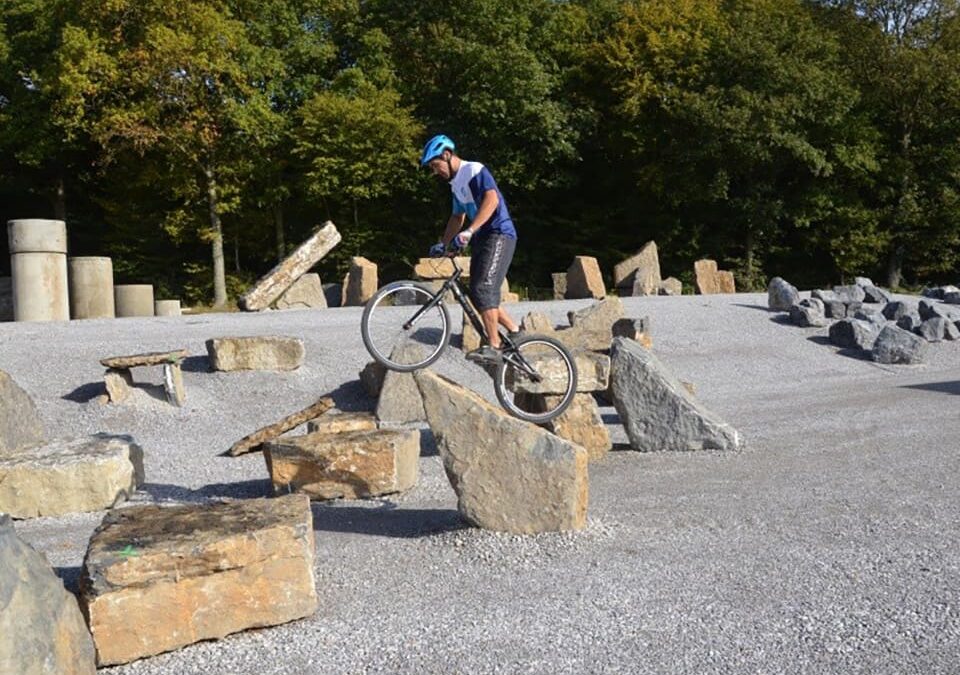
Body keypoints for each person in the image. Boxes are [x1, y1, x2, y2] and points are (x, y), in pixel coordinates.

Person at [421, 134, 519, 363]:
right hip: (483, 238)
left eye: (435, 165)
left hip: (499, 234)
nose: (435, 171)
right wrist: (444, 244)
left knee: (484, 288)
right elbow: (457, 217)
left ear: (447, 155)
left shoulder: (474, 170)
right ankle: (516, 332)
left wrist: (469, 231)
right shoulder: (455, 184)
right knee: (476, 293)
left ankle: (494, 346)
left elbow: (492, 200)